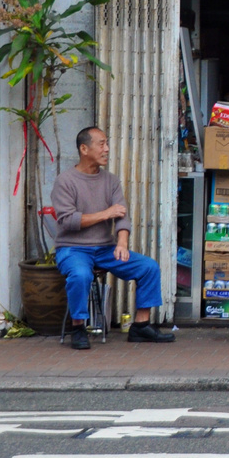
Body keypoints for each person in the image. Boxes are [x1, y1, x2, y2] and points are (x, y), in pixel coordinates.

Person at [49, 126, 175, 349]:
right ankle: (78, 327)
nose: (107, 149)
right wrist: (106, 214)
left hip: (105, 249)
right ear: (84, 148)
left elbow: (122, 217)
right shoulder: (65, 181)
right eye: (101, 144)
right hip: (73, 248)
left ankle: (140, 326)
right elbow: (68, 221)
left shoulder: (111, 181)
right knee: (79, 274)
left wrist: (122, 242)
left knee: (148, 267)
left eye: (107, 144)